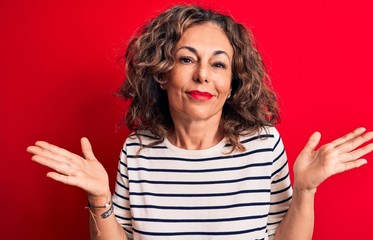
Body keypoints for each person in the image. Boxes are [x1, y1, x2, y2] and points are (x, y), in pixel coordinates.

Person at [27, 5, 373, 240]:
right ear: (162, 73)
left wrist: (305, 190)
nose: (203, 75)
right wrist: (100, 197)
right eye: (186, 59)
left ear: (233, 80)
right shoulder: (138, 149)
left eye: (219, 64)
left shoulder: (264, 144)